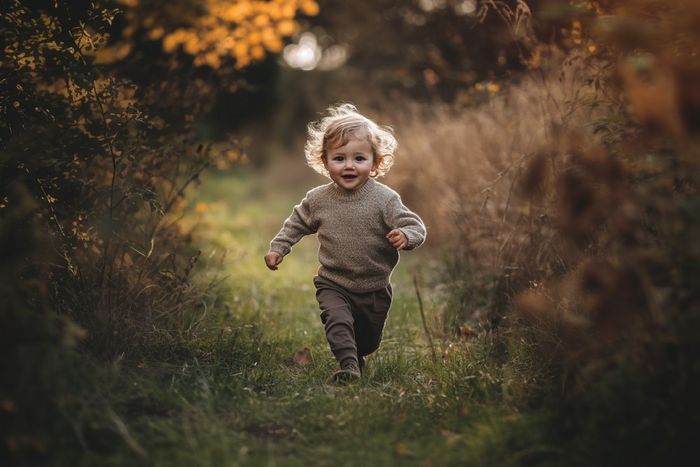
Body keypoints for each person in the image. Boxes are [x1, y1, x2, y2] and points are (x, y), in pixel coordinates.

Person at [264, 103, 426, 383]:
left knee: (367, 341)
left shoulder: (384, 199)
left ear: (375, 163)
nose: (349, 165)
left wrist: (406, 236)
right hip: (333, 282)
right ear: (325, 161)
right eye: (339, 158)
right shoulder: (317, 199)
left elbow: (415, 225)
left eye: (359, 158)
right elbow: (297, 223)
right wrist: (279, 247)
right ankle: (348, 367)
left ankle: (357, 355)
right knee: (338, 321)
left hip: (374, 286)